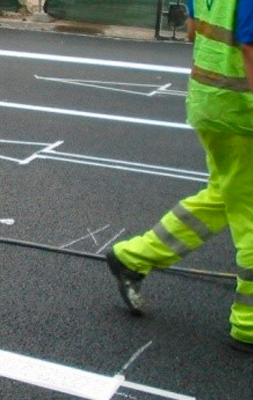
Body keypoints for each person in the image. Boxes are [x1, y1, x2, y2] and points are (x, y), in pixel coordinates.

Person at [106, 0, 253, 353]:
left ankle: (132, 257)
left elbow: (191, 31)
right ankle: (248, 326)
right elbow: (249, 48)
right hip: (240, 116)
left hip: (210, 104)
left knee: (221, 196)